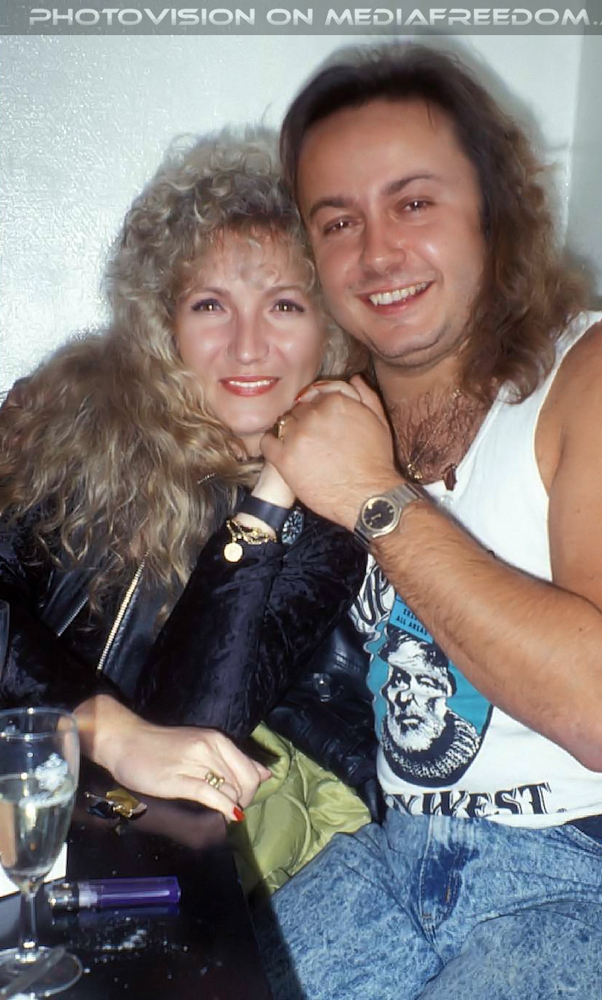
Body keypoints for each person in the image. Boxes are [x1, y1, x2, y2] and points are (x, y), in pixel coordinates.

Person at [255, 44, 602, 998]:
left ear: (494, 207)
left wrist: (375, 497)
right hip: (394, 860)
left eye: (413, 203)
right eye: (338, 221)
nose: (376, 253)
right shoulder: (349, 417)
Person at [0, 129, 367, 828]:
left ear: (330, 327)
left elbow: (197, 729)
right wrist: (105, 729)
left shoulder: (329, 517)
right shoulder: (79, 419)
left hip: (126, 837)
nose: (248, 346)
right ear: (166, 324)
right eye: (210, 305)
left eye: (284, 305)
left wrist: (272, 495)